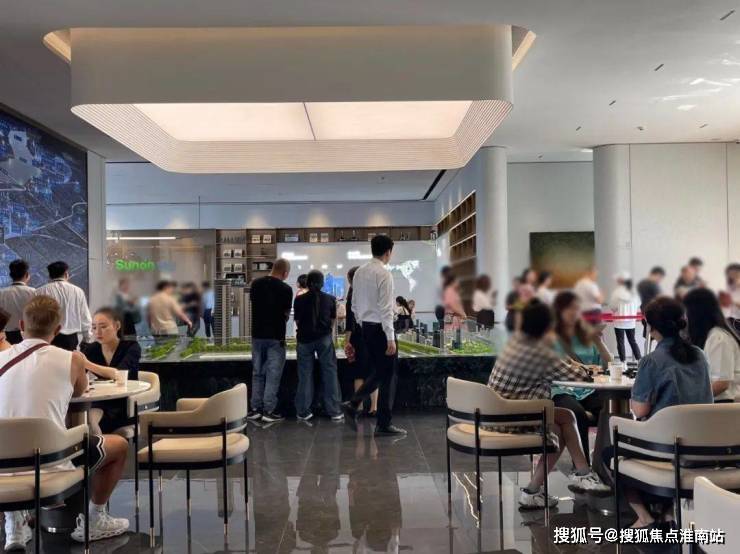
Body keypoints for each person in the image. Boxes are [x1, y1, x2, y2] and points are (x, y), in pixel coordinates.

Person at [0, 296, 130, 547]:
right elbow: (80, 391)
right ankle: (95, 519)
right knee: (120, 446)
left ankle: (14, 524)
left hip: (3, 462)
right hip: (51, 459)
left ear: (22, 325)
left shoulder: (1, 358)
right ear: (58, 329)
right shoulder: (72, 358)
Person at [487, 300, 609, 509]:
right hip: (512, 418)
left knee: (563, 421)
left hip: (498, 413)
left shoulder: (518, 344)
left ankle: (534, 491)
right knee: (565, 419)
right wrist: (587, 370)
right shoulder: (538, 351)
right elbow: (577, 376)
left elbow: (564, 364)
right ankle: (583, 474)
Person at [619, 296, 713, 529]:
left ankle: (645, 517)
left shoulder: (652, 361)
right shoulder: (699, 355)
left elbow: (640, 409)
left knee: (610, 454)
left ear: (651, 327)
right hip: (705, 446)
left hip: (667, 448)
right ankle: (669, 511)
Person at [342, 235, 405, 436]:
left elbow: (354, 305)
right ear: (388, 252)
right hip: (381, 330)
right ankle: (382, 423)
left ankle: (353, 404)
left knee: (380, 372)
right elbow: (386, 309)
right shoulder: (384, 274)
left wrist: (362, 324)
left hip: (366, 329)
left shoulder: (360, 272)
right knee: (389, 375)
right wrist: (390, 338)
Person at [550, 291, 612, 464]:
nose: (574, 312)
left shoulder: (587, 336)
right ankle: (582, 465)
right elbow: (561, 365)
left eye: (577, 308)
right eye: (569, 308)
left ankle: (605, 459)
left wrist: (598, 341)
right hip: (561, 389)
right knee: (576, 413)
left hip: (588, 389)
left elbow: (609, 366)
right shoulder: (551, 338)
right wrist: (586, 369)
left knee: (609, 409)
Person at [294, 270, 343, 421]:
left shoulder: (299, 300)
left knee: (305, 374)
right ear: (322, 284)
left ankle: (303, 411)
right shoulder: (330, 299)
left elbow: (297, 321)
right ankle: (334, 411)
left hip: (304, 339)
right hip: (324, 339)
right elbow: (333, 321)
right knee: (330, 373)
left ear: (307, 283)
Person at [248, 259, 293, 423]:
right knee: (273, 374)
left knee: (257, 373)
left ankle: (255, 409)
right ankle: (269, 410)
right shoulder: (286, 289)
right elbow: (286, 314)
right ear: (285, 273)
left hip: (257, 335)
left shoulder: (255, 284)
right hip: (276, 337)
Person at [684, 288, 740, 402]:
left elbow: (721, 383)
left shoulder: (718, 338)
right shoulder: (712, 336)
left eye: (687, 312)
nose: (686, 318)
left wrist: (690, 399)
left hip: (723, 403)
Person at [344, 266, 378, 417]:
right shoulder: (371, 292)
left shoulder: (353, 295)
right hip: (373, 335)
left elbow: (350, 321)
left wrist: (347, 341)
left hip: (358, 338)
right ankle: (374, 407)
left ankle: (358, 407)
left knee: (358, 373)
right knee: (373, 373)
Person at [37, 261, 93, 351]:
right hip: (70, 339)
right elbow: (85, 317)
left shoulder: (40, 291)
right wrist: (87, 339)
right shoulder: (78, 291)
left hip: (48, 337)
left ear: (50, 276)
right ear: (66, 274)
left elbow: (36, 318)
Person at [0, 259, 36, 344]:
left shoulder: (1, 293)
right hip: (29, 335)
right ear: (27, 275)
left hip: (7, 337)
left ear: (10, 275)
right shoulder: (34, 292)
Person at [609, 272, 641, 362]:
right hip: (631, 321)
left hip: (619, 321)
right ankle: (640, 361)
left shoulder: (616, 292)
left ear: (620, 281)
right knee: (632, 341)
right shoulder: (634, 292)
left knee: (620, 342)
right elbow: (638, 304)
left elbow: (613, 307)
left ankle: (623, 362)